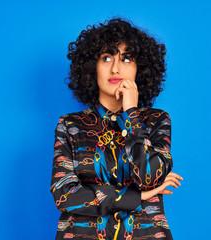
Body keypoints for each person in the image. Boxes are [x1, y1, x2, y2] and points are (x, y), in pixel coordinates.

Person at [50, 17, 183, 240]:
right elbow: (64, 196)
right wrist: (138, 197)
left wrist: (131, 114)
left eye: (126, 58)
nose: (115, 68)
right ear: (93, 67)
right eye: (106, 57)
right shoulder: (70, 125)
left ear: (140, 68)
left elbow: (148, 178)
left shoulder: (156, 121)